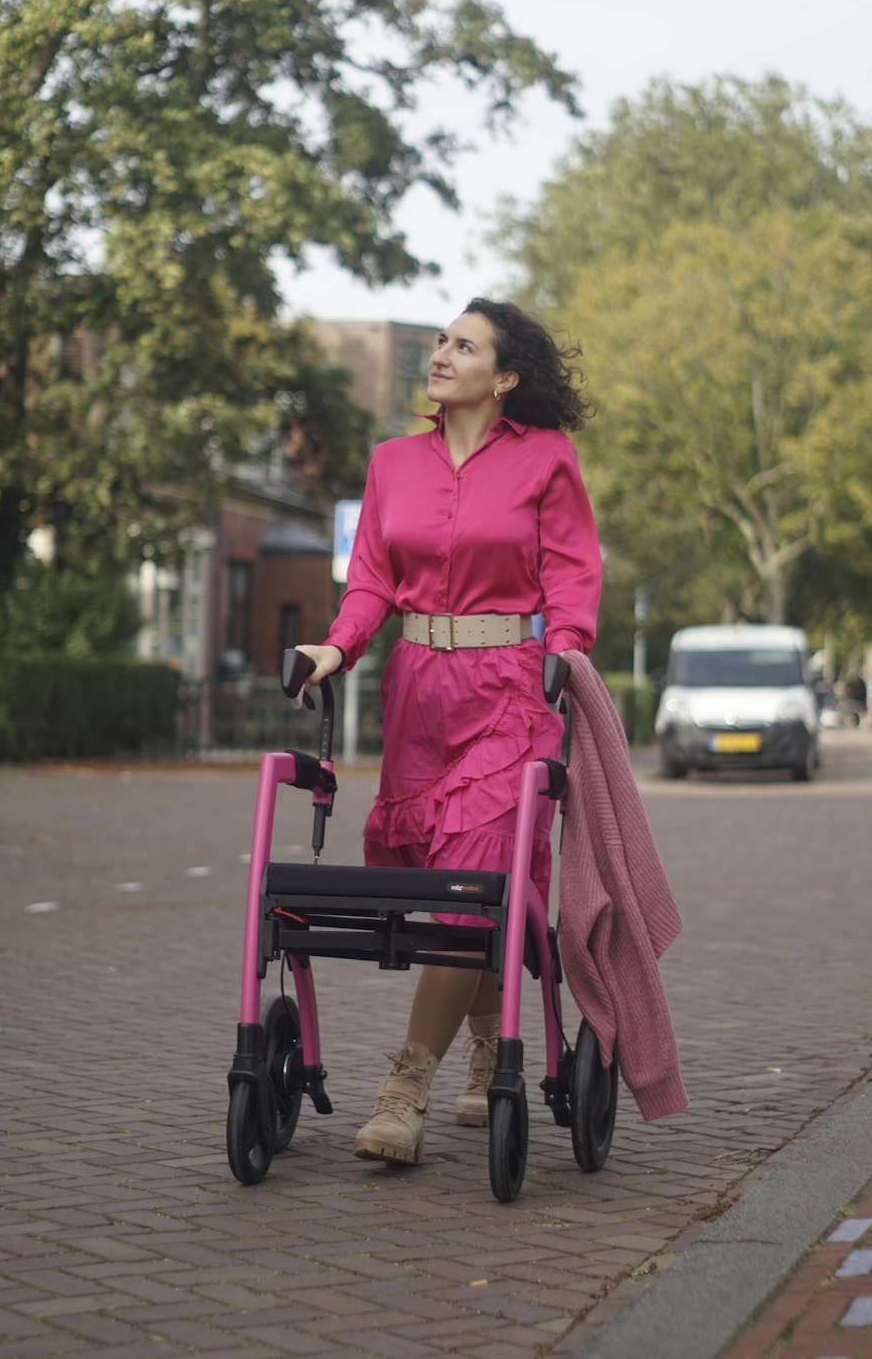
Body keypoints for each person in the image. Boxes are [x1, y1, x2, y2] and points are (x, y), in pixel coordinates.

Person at [296, 297, 602, 1165]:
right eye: (439, 341)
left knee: (471, 880)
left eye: (463, 345)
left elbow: (574, 578)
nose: (440, 354)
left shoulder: (547, 459)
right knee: (445, 888)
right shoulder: (394, 462)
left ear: (504, 377)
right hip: (419, 693)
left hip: (511, 692)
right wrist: (335, 646)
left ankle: (404, 1091)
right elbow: (370, 587)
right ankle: (483, 1041)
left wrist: (566, 656)